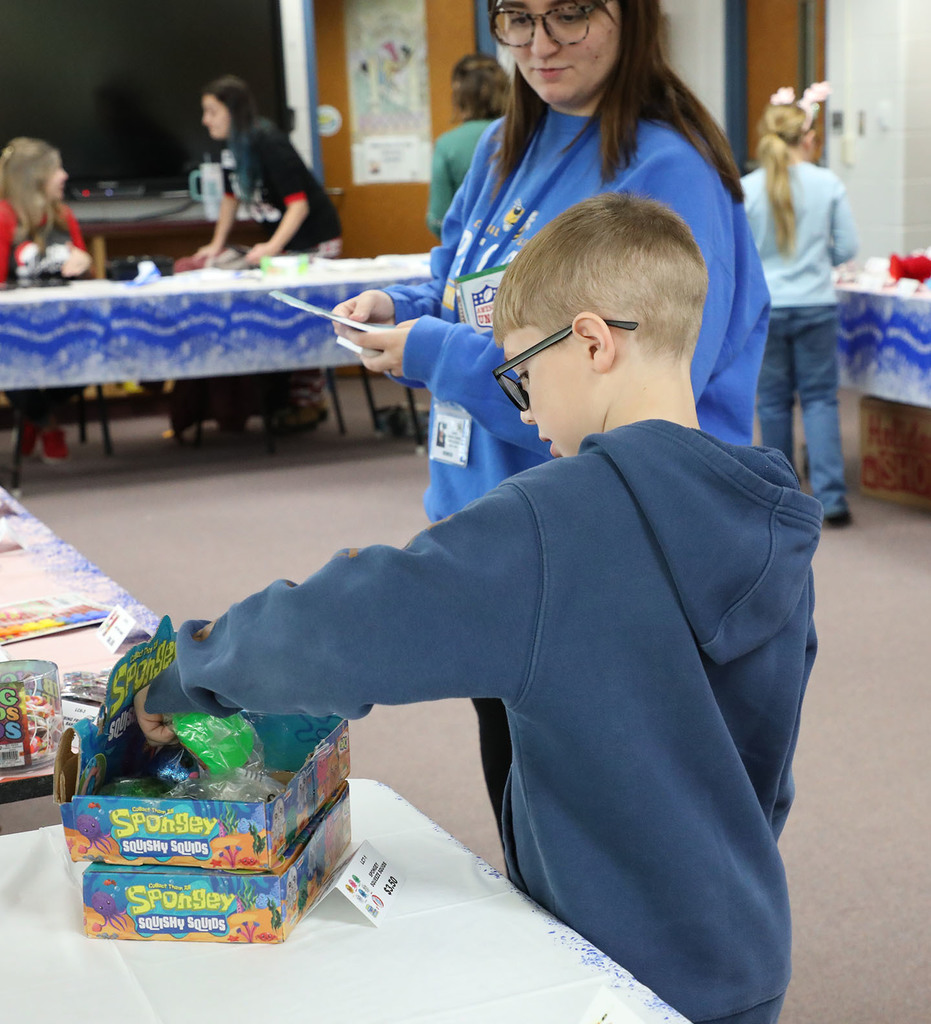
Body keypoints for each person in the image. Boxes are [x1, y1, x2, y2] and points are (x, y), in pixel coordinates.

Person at [135, 193, 821, 1024]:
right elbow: (767, 766)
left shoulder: (551, 521)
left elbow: (347, 625)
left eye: (522, 372)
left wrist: (190, 670)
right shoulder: (767, 512)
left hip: (610, 970)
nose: (525, 411)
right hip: (741, 948)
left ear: (593, 342)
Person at [333, 0, 771, 831]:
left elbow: (634, 397)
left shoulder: (666, 170)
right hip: (492, 526)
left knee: (601, 824)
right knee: (521, 794)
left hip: (597, 548)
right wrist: (403, 303)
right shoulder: (510, 146)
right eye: (516, 18)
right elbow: (468, 287)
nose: (540, 44)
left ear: (632, 17)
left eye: (570, 14)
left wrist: (430, 352)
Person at [172, 75, 342, 436]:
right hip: (285, 245)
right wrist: (216, 245)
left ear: (232, 111)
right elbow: (232, 197)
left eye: (211, 111)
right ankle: (288, 401)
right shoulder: (233, 146)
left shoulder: (268, 141)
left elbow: (298, 206)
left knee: (304, 315)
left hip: (315, 239)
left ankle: (309, 402)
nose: (206, 120)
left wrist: (271, 247)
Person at [742, 83, 859, 527]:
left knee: (771, 403)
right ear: (807, 139)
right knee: (820, 400)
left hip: (769, 308)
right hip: (815, 305)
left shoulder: (747, 189)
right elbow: (847, 245)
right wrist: (816, 263)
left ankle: (781, 495)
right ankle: (832, 499)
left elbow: (743, 257)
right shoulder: (827, 183)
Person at [0, 138, 92, 461]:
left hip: (65, 322)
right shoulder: (4, 218)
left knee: (95, 351)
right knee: (7, 362)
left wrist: (83, 262)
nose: (65, 175)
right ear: (35, 177)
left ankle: (33, 417)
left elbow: (81, 259)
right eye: (57, 170)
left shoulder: (63, 215)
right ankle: (47, 423)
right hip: (14, 328)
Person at [427, 53, 509, 237]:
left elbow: (437, 219)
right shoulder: (528, 135)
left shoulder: (448, 145)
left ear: (459, 97)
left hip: (468, 248)